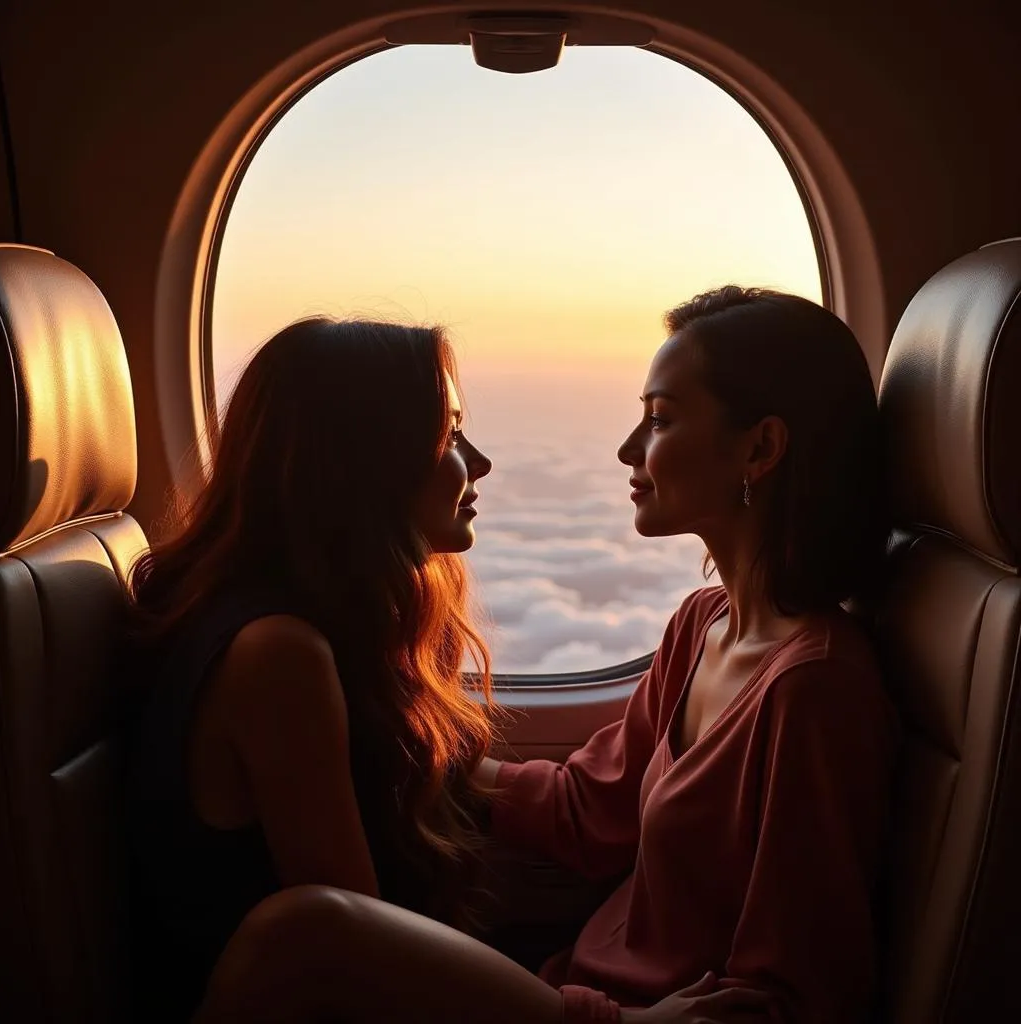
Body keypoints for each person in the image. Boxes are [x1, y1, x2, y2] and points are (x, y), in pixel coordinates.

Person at [191, 286, 899, 1024]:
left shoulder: (815, 690)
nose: (629, 448)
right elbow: (588, 812)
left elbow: (798, 997)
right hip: (582, 987)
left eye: (659, 420)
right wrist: (406, 741)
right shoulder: (700, 626)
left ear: (760, 448)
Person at [124, 318, 498, 1020]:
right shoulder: (278, 655)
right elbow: (352, 952)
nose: (477, 463)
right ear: (366, 464)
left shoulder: (299, 629)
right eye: (450, 436)